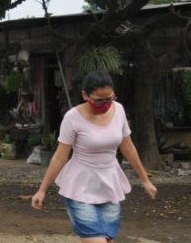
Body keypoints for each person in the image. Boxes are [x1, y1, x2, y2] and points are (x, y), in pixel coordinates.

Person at [31, 70, 157, 242]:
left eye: (109, 98)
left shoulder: (118, 110)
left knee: (108, 238)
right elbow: (60, 157)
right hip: (80, 186)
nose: (105, 104)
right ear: (85, 95)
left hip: (110, 184)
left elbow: (127, 147)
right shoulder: (72, 118)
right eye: (99, 100)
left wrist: (145, 179)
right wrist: (42, 190)